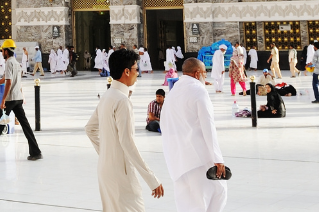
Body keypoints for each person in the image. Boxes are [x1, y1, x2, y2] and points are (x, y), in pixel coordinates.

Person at [86, 48, 164, 211]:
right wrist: (151, 179)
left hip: (105, 169)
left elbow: (90, 129)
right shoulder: (122, 101)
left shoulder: (108, 95)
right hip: (121, 173)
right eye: (136, 69)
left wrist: (107, 153)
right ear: (127, 71)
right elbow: (126, 142)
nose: (138, 73)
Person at [161, 57, 226, 212]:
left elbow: (164, 125)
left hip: (177, 161)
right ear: (197, 74)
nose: (205, 76)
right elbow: (208, 125)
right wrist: (217, 158)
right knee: (216, 193)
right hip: (198, 159)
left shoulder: (172, 93)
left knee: (187, 204)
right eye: (204, 73)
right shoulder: (198, 90)